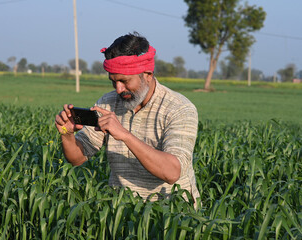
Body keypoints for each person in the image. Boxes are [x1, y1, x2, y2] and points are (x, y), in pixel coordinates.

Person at [55, 32, 200, 205]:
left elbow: (172, 172)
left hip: (172, 217)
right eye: (113, 81)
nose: (118, 89)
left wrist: (124, 135)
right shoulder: (107, 103)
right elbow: (77, 159)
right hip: (122, 212)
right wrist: (67, 134)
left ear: (147, 74)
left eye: (124, 81)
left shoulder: (179, 108)